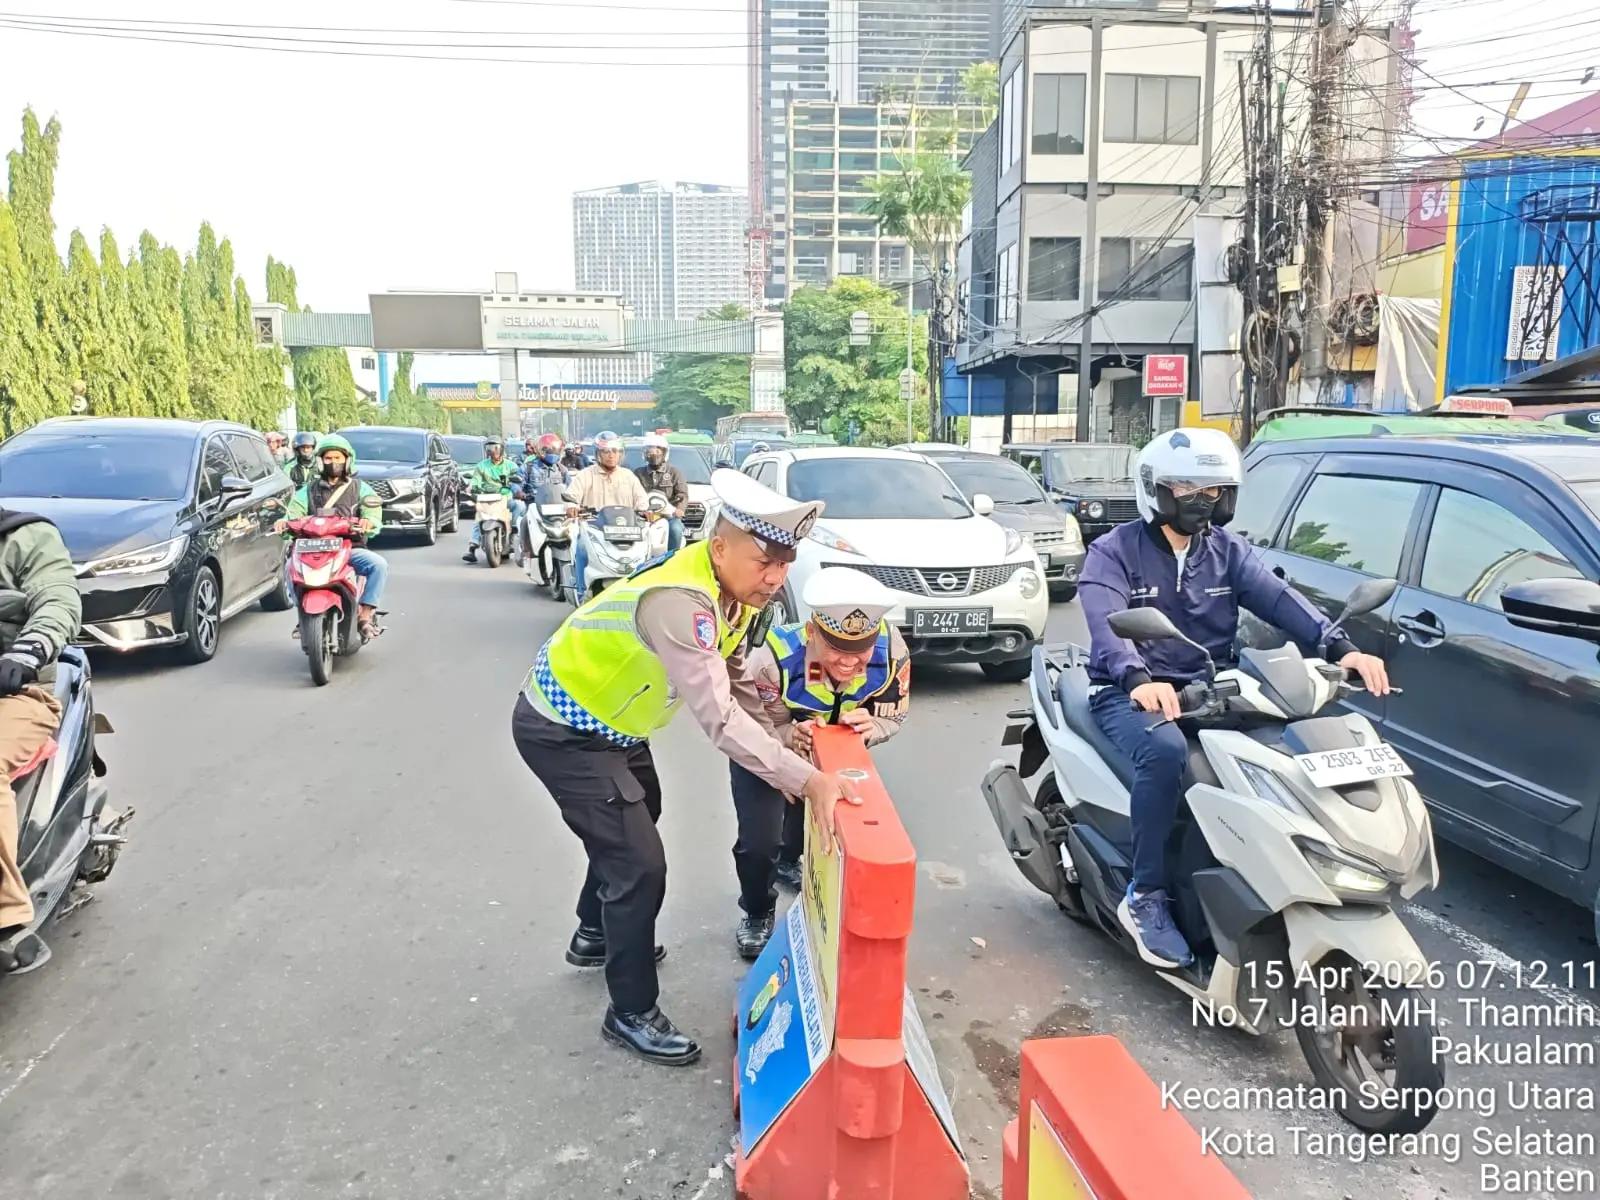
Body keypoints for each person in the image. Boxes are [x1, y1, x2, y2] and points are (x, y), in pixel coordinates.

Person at [510, 469, 861, 1067]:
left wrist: (783, 732)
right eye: (765, 563)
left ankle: (594, 933)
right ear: (720, 546)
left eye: (785, 564)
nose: (776, 579)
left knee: (639, 816)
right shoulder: (682, 602)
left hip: (615, 727)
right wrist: (808, 781)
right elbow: (720, 718)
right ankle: (630, 1011)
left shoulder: (733, 591)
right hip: (565, 730)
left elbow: (742, 672)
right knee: (638, 863)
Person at [1079, 428, 1390, 970]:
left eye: (1214, 489)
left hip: (1213, 689)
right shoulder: (1115, 552)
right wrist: (1136, 677)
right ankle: (1145, 895)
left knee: (1279, 753)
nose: (1204, 500)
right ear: (1155, 489)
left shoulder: (1227, 551)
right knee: (1167, 755)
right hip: (1129, 693)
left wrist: (1341, 648)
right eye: (1189, 487)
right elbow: (1108, 626)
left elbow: (1279, 598)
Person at [731, 567, 910, 958]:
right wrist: (785, 738)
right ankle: (757, 911)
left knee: (808, 827)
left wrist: (875, 725)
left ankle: (792, 863)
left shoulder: (893, 651)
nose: (849, 664)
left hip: (835, 750)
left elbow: (893, 716)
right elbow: (746, 730)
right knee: (760, 839)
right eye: (836, 651)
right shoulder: (770, 659)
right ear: (812, 633)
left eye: (860, 652)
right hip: (767, 747)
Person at [0, 508, 82, 949]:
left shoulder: (23, 536)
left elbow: (57, 596)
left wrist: (29, 650)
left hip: (15, 691)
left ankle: (5, 910)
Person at [276, 434, 388, 641]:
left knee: (378, 565)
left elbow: (373, 513)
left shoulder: (359, 488)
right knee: (289, 567)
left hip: (349, 549)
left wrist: (368, 522)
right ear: (321, 461)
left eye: (338, 458)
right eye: (328, 458)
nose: (333, 462)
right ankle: (303, 615)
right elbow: (293, 513)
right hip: (312, 550)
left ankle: (365, 615)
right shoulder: (307, 490)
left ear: (347, 460)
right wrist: (284, 522)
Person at [564, 430, 650, 601]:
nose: (611, 455)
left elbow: (642, 499)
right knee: (581, 548)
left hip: (627, 530)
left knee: (649, 552)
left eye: (615, 451)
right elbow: (571, 496)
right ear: (598, 454)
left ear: (620, 454)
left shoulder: (628, 476)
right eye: (606, 451)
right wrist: (572, 506)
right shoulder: (586, 475)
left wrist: (646, 510)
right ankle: (582, 591)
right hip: (595, 529)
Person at [462, 436, 525, 564]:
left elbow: (517, 479)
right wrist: (471, 488)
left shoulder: (510, 465)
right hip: (486, 499)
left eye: (496, 448)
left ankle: (513, 532)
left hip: (504, 499)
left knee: (519, 505)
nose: (493, 451)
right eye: (490, 448)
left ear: (502, 449)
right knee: (479, 515)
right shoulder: (481, 466)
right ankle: (472, 547)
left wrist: (517, 490)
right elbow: (475, 481)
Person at [519, 433, 572, 583]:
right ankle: (527, 554)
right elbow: (517, 482)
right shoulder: (529, 467)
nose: (552, 454)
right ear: (541, 451)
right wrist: (519, 492)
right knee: (524, 522)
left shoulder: (562, 470)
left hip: (558, 510)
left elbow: (572, 488)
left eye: (555, 450)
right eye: (549, 450)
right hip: (535, 506)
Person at [634, 433, 689, 554]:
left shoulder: (674, 472)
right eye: (650, 450)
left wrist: (679, 510)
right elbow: (631, 494)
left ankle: (672, 558)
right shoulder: (638, 473)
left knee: (676, 529)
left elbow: (683, 494)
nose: (654, 453)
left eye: (658, 450)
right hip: (644, 516)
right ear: (645, 453)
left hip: (668, 515)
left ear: (664, 453)